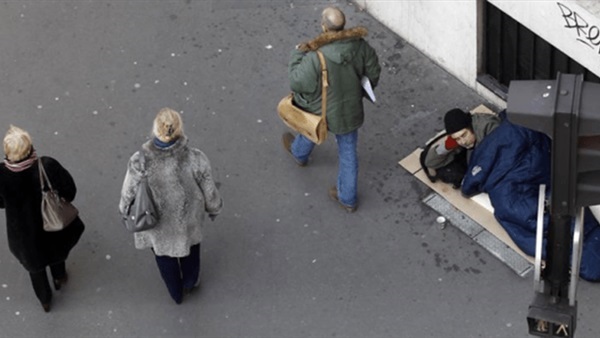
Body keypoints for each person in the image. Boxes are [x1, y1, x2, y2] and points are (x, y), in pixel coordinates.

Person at [281, 6, 381, 213]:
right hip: (350, 111)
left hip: (323, 110)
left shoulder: (316, 56)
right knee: (348, 153)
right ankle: (347, 198)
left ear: (324, 26)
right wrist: (360, 92)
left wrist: (297, 54)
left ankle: (299, 154)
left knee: (312, 126)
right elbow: (373, 72)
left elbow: (298, 82)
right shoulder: (360, 46)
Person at [119, 108, 223, 304]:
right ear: (179, 129)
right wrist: (214, 208)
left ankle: (175, 293)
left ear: (155, 130)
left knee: (164, 258)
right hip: (188, 221)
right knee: (191, 253)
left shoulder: (139, 162)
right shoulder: (195, 157)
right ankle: (190, 282)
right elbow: (209, 190)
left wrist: (124, 211)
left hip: (155, 224)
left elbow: (128, 192)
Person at [0, 125, 84, 312]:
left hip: (23, 239)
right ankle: (59, 277)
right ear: (29, 148)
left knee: (35, 271)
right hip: (54, 231)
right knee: (57, 257)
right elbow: (70, 191)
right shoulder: (47, 166)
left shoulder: (1, 175)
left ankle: (45, 300)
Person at [423, 108, 501, 170]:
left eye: (464, 135)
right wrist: (446, 147)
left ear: (470, 127)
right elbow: (430, 163)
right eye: (457, 139)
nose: (462, 142)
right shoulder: (459, 142)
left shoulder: (488, 127)